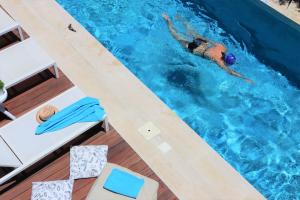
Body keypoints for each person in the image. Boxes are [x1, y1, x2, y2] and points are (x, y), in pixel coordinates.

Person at [162, 14, 253, 83]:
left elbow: (209, 41)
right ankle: (168, 21)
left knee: (191, 31)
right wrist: (244, 78)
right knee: (176, 36)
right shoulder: (219, 61)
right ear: (226, 62)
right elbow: (230, 72)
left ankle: (180, 18)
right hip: (196, 50)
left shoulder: (222, 47)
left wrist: (199, 37)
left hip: (203, 42)